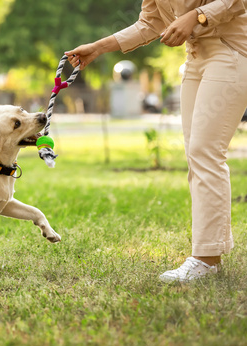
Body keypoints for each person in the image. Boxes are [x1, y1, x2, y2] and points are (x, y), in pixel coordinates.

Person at [65, 0, 247, 282]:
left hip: (232, 52)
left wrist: (197, 17)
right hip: (196, 58)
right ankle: (211, 252)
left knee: (205, 152)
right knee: (197, 155)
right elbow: (149, 23)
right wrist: (98, 47)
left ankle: (206, 259)